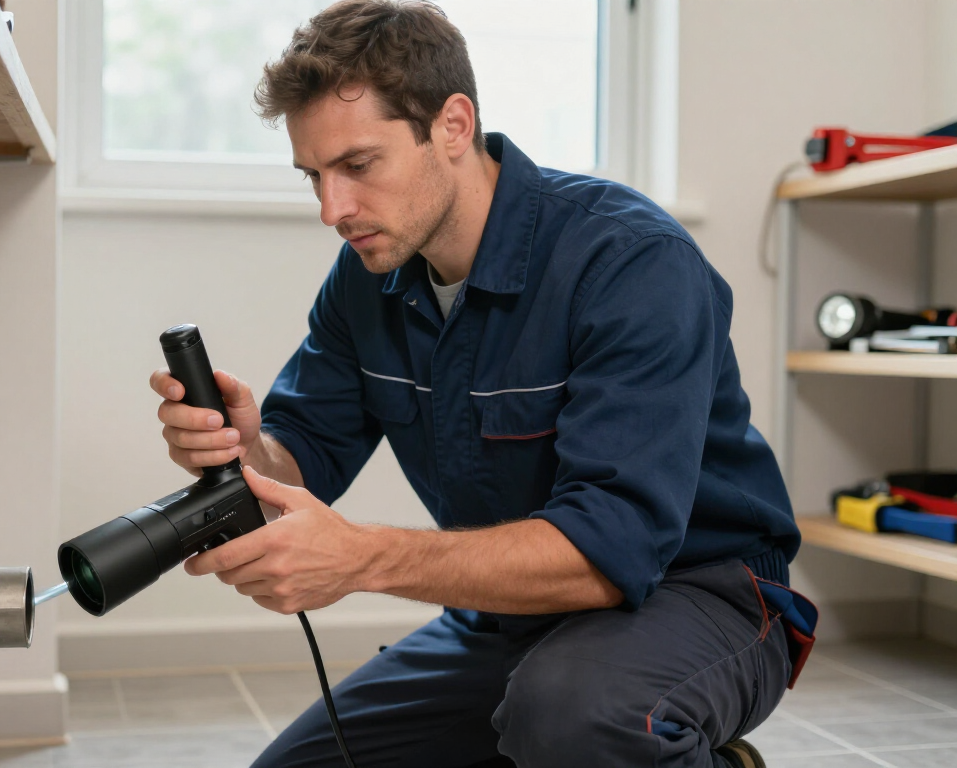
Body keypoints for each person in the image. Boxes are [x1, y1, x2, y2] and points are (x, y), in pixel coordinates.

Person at [149, 2, 816, 766]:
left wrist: (362, 559)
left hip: (699, 595)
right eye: (315, 176)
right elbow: (305, 451)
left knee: (570, 719)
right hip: (508, 611)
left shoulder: (632, 262)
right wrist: (249, 450)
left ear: (453, 125)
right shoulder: (370, 275)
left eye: (359, 166)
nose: (333, 209)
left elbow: (611, 549)